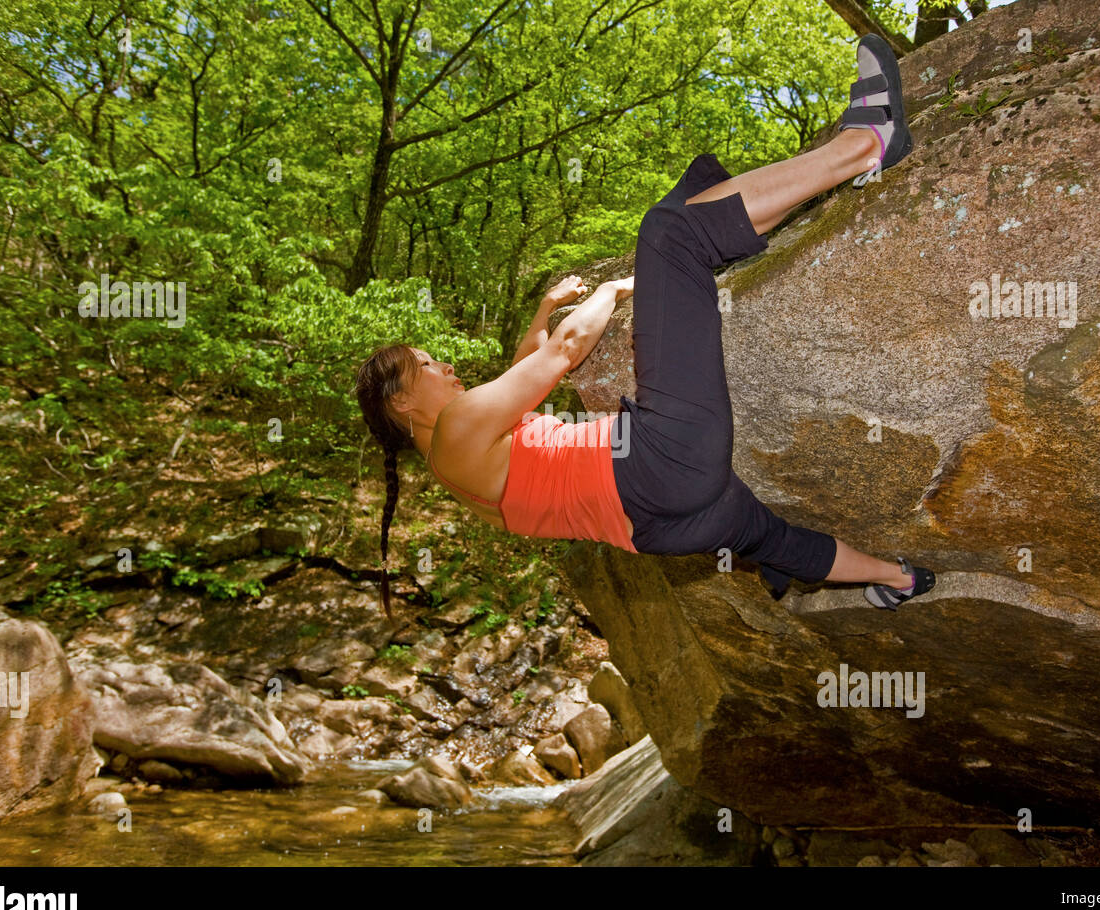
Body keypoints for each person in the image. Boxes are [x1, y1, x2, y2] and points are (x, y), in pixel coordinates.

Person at [356, 34, 936, 621]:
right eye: (426, 363)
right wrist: (607, 289)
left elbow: (521, 375)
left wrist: (540, 309)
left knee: (775, 541)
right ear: (401, 399)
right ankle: (867, 143)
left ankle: (900, 578)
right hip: (658, 464)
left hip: (662, 526)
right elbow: (564, 352)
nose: (445, 365)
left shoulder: (455, 469)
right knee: (669, 232)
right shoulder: (458, 426)